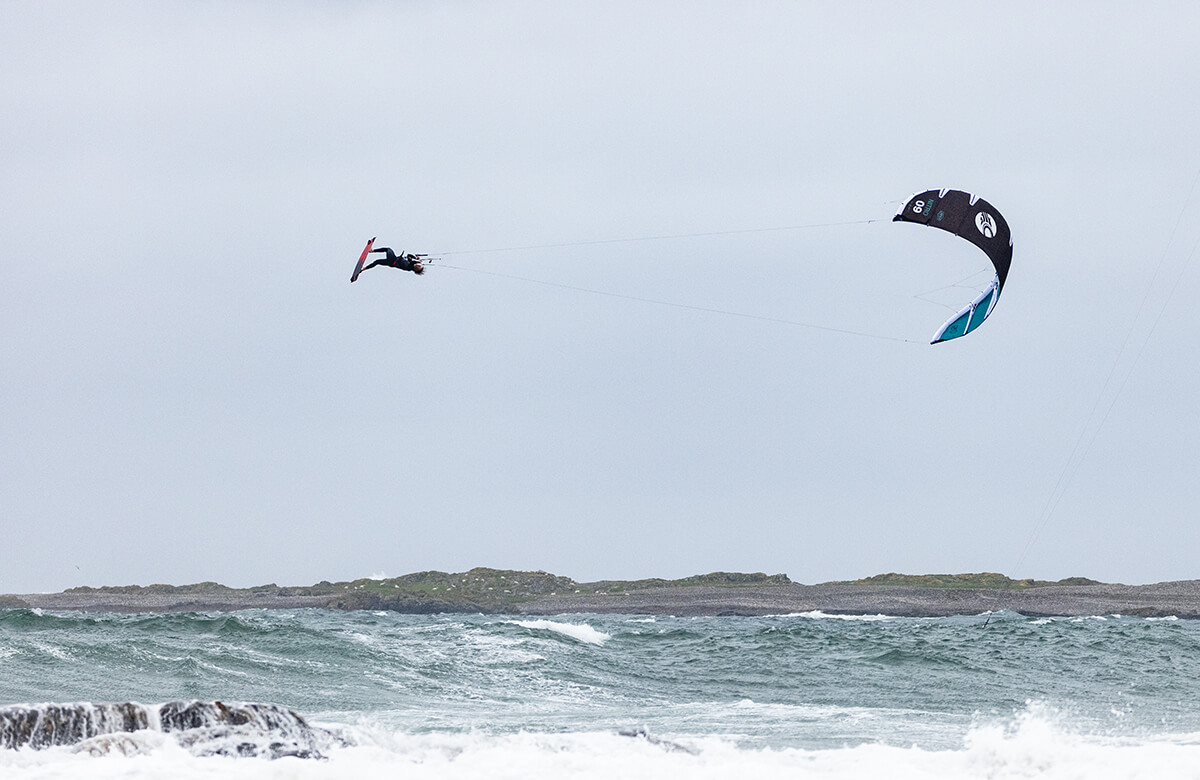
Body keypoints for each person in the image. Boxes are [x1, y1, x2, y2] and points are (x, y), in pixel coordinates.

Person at [362, 247, 426, 275]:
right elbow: (409, 255)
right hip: (392, 261)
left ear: (416, 270)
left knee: (388, 249)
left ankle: (371, 251)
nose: (419, 266)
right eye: (420, 266)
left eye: (419, 267)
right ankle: (364, 269)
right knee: (377, 262)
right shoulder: (410, 263)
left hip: (393, 260)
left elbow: (412, 262)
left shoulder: (410, 268)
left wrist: (417, 261)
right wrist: (415, 257)